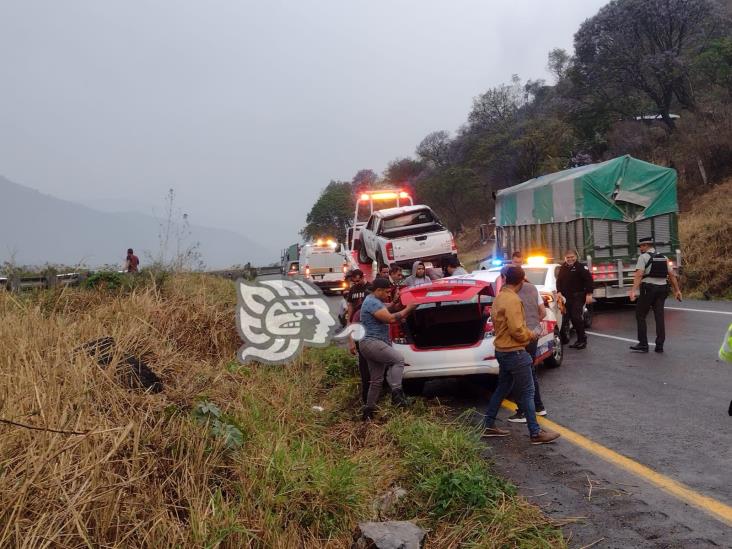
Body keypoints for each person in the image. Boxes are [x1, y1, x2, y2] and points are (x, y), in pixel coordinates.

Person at [481, 266, 560, 444]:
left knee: (502, 388)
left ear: (505, 278)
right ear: (522, 279)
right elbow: (517, 330)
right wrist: (531, 335)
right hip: (515, 351)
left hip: (502, 350)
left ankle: (488, 425)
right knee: (528, 391)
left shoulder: (500, 297)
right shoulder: (513, 300)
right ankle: (535, 432)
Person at [358, 277, 418, 420]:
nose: (387, 295)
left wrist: (395, 302)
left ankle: (368, 411)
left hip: (368, 344)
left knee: (376, 380)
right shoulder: (372, 302)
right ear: (378, 291)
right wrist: (409, 309)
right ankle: (397, 393)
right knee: (398, 359)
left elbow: (388, 307)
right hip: (372, 342)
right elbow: (390, 318)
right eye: (386, 292)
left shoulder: (374, 301)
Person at [629, 237, 682, 353]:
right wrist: (677, 290)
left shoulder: (643, 257)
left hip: (649, 288)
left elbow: (639, 274)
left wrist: (633, 290)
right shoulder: (664, 258)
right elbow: (672, 275)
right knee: (659, 316)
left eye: (641, 246)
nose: (640, 248)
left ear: (647, 246)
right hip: (663, 289)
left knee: (640, 315)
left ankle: (643, 344)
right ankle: (659, 345)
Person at [508, 274, 548, 423]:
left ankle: (523, 412)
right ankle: (539, 406)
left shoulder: (508, 293)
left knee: (520, 373)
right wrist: (535, 327)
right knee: (530, 370)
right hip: (534, 334)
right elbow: (543, 312)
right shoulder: (533, 289)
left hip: (520, 336)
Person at [556, 249, 593, 350]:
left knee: (576, 317)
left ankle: (583, 340)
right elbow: (559, 281)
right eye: (568, 257)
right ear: (565, 258)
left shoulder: (581, 267)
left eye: (572, 257)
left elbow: (589, 280)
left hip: (579, 296)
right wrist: (558, 291)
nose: (570, 259)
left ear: (575, 257)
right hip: (567, 297)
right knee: (572, 318)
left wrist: (589, 294)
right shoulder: (563, 267)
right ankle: (578, 340)